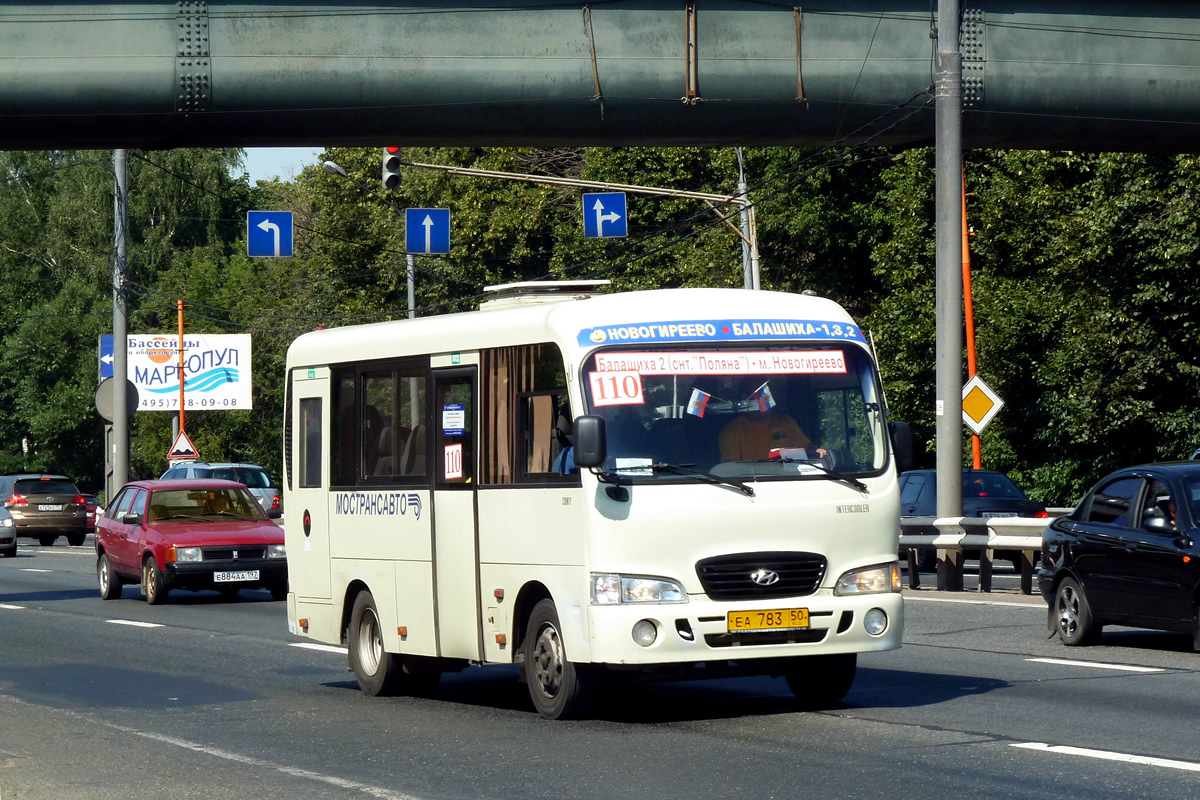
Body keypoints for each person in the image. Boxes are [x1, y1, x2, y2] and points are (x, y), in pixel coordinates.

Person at [717, 377, 825, 462]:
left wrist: (817, 451)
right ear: (745, 397)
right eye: (757, 394)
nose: (764, 398)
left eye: (766, 393)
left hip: (789, 480)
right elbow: (731, 468)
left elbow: (807, 447)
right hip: (751, 483)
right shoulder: (732, 430)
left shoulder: (786, 423)